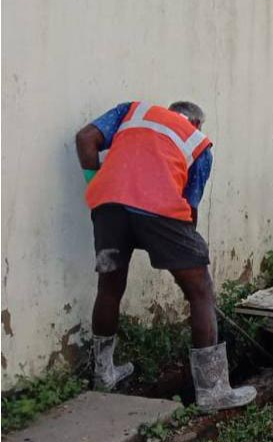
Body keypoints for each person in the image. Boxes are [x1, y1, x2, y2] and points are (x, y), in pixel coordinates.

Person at [75, 101, 256, 411]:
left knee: (109, 288)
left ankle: (103, 374)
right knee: (200, 292)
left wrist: (98, 184)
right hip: (159, 211)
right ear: (197, 123)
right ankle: (213, 391)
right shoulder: (198, 144)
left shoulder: (133, 111)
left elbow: (85, 139)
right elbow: (189, 210)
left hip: (107, 209)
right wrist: (186, 259)